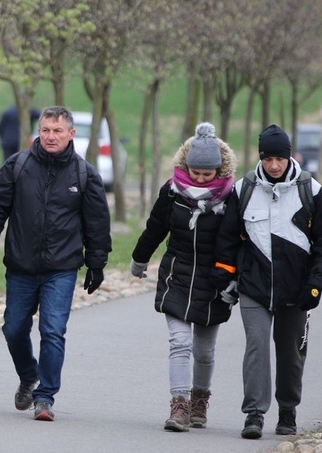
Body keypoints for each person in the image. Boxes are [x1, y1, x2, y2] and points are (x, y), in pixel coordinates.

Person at [0, 106, 112, 422]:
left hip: (61, 269)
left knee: (52, 330)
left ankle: (45, 396)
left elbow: (96, 222)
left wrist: (96, 262)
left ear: (71, 134)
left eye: (57, 131)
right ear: (39, 131)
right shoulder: (18, 165)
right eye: (46, 130)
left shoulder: (84, 174)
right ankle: (29, 375)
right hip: (21, 266)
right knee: (13, 329)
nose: (50, 136)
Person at [213, 124, 322, 439]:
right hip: (253, 287)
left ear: (289, 157)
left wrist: (315, 285)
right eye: (268, 158)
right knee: (256, 346)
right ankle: (254, 414)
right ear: (260, 157)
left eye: (279, 159)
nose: (273, 165)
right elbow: (227, 240)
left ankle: (288, 412)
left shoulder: (311, 191)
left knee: (290, 352)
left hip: (297, 290)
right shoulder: (243, 190)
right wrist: (226, 277)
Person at [130, 122, 237, 432]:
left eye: (207, 174)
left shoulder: (231, 198)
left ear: (219, 170)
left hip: (214, 282)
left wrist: (234, 279)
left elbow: (237, 242)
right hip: (176, 275)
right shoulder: (172, 191)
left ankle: (200, 399)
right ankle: (179, 405)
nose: (200, 179)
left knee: (204, 352)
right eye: (195, 172)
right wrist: (140, 258)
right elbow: (155, 227)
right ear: (185, 165)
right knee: (180, 342)